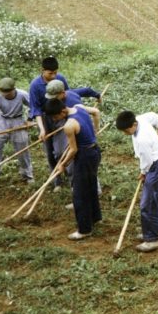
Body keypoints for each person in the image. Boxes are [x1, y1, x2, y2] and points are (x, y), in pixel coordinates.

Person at [45, 98, 101, 240]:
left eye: (56, 117)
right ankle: (95, 217)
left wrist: (62, 164)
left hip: (84, 155)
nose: (55, 119)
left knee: (80, 192)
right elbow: (95, 112)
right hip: (95, 151)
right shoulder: (79, 107)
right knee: (91, 185)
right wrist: (96, 130)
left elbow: (73, 150)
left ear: (63, 111)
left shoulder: (69, 125)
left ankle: (84, 229)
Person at [116, 110, 158, 253]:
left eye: (126, 130)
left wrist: (143, 173)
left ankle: (152, 240)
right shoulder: (140, 119)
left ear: (133, 124)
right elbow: (154, 116)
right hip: (155, 163)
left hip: (155, 166)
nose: (125, 133)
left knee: (147, 203)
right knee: (151, 200)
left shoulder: (142, 139)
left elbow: (147, 161)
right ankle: (155, 231)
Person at [29, 57, 71, 190]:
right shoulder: (35, 85)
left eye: (55, 73)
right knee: (49, 151)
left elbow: (67, 95)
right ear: (42, 71)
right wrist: (42, 129)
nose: (53, 76)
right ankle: (56, 180)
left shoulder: (60, 79)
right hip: (45, 119)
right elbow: (36, 110)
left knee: (61, 149)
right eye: (50, 73)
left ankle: (70, 175)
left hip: (59, 117)